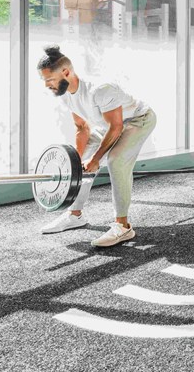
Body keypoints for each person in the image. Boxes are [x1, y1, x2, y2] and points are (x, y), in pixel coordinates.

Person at [36, 46, 156, 247]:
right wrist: (77, 163)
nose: (47, 85)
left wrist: (95, 160)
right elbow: (82, 128)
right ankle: (75, 215)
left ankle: (123, 227)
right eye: (45, 81)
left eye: (50, 80)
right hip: (107, 126)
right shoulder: (67, 95)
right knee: (84, 161)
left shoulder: (100, 90)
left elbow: (116, 127)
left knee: (116, 161)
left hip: (138, 120)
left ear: (66, 72)